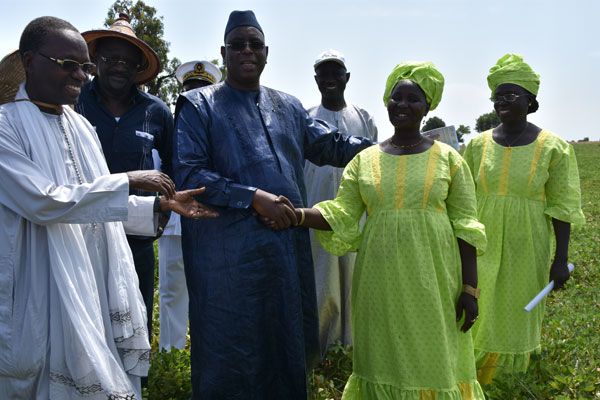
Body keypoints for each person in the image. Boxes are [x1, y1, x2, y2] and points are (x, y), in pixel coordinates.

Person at [0, 17, 216, 399]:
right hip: (36, 277)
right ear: (31, 62)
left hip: (90, 278)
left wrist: (158, 206)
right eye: (69, 65)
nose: (82, 76)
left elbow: (95, 210)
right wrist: (129, 179)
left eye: (84, 66)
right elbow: (44, 200)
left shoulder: (81, 127)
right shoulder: (6, 126)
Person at [173, 10, 373, 399]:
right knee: (230, 347)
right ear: (224, 52)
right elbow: (191, 175)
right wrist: (254, 198)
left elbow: (332, 145)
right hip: (226, 257)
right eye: (237, 45)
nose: (246, 51)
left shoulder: (289, 106)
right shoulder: (199, 105)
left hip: (285, 250)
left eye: (254, 44)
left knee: (285, 341)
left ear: (266, 53)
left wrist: (388, 151)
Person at [278, 61, 487, 399]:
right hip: (378, 280)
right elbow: (343, 212)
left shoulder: (450, 160)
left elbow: (467, 227)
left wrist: (470, 289)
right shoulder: (365, 159)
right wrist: (298, 215)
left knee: (432, 349)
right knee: (382, 353)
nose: (402, 105)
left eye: (413, 99)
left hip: (433, 278)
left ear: (427, 106)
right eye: (396, 97)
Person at [464, 54, 585, 384]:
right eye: (497, 96)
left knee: (519, 309)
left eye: (511, 95)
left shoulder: (554, 147)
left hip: (527, 241)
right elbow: (461, 198)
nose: (502, 101)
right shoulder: (476, 145)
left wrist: (560, 260)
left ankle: (512, 377)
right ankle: (473, 375)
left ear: (531, 101)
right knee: (480, 302)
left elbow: (562, 208)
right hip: (481, 240)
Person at [75, 13, 174, 338]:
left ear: (138, 69)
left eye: (129, 62)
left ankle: (134, 387)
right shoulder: (74, 103)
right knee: (85, 319)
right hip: (81, 230)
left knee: (135, 318)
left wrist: (163, 210)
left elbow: (174, 166)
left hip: (137, 233)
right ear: (95, 59)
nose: (120, 67)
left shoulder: (156, 111)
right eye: (111, 58)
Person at [304, 49, 378, 357]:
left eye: (336, 73)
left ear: (347, 78)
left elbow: (375, 166)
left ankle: (351, 350)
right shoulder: (305, 118)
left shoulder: (364, 118)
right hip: (316, 212)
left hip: (356, 217)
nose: (330, 79)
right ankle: (322, 352)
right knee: (322, 285)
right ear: (316, 79)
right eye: (324, 73)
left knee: (353, 283)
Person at [157, 60, 222, 351]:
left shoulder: (221, 128)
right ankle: (171, 353)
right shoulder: (169, 126)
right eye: (191, 90)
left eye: (203, 90)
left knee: (212, 290)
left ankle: (209, 350)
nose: (196, 96)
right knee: (172, 289)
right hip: (174, 221)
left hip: (211, 220)